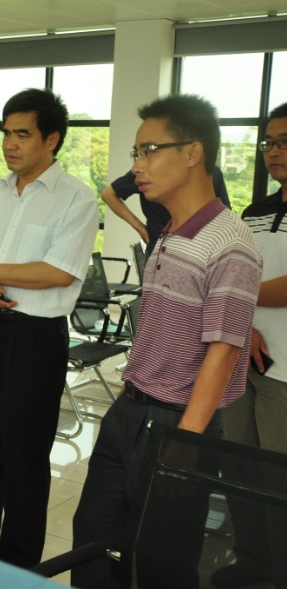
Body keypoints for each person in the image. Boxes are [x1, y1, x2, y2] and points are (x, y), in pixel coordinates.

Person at [71, 94, 262, 589]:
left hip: (178, 421)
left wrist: (184, 443)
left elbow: (224, 351)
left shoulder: (231, 243)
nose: (137, 166)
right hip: (130, 410)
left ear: (193, 152)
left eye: (149, 150)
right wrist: (127, 396)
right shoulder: (170, 232)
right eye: (136, 153)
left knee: (161, 560)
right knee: (93, 542)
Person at [0, 88, 99, 567]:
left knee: (24, 454)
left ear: (51, 139)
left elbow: (60, 271)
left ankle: (17, 563)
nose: (9, 144)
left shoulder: (76, 198)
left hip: (33, 339)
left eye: (22, 134)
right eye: (5, 134)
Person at [212, 102, 287, 589]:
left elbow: (237, 284)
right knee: (240, 469)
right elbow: (234, 272)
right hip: (242, 359)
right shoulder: (254, 212)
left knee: (279, 478)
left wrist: (237, 296)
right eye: (269, 143)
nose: (273, 151)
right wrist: (243, 325)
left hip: (285, 375)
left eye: (285, 142)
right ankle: (252, 563)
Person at [100, 164, 230, 255]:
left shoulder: (211, 172)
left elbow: (224, 217)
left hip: (198, 252)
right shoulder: (146, 170)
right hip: (160, 249)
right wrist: (140, 228)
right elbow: (109, 194)